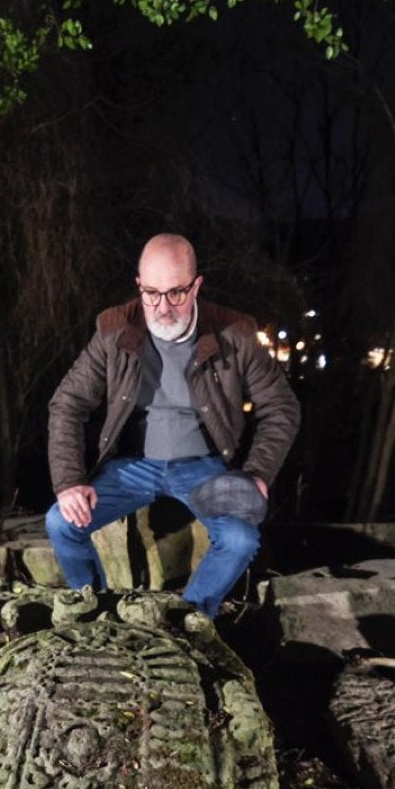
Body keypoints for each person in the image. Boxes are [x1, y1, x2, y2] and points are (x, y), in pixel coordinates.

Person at [45, 233, 300, 616]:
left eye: (176, 293)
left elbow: (281, 406)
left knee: (239, 539)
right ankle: (91, 615)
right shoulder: (114, 330)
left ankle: (188, 620)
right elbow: (67, 403)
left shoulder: (235, 334)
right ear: (139, 286)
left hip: (203, 466)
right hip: (131, 466)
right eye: (151, 293)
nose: (162, 307)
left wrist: (258, 473)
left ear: (196, 286)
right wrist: (69, 481)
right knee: (60, 523)